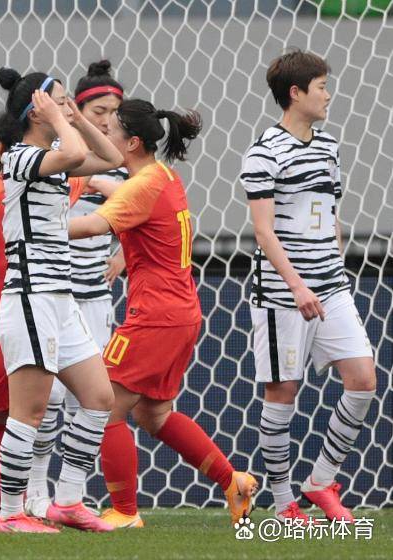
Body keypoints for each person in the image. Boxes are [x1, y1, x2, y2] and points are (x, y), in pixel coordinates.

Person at [69, 98, 257, 528]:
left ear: (132, 142)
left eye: (111, 130)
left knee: (105, 407)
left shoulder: (142, 187)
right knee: (152, 415)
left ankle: (124, 512)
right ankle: (233, 482)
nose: (105, 136)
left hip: (155, 316)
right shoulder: (162, 176)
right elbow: (133, 199)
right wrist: (97, 181)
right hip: (181, 312)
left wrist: (29, 228)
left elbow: (93, 225)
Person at [240, 49, 376, 523]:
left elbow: (331, 214)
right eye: (321, 87)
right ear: (295, 93)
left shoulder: (329, 147)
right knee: (282, 393)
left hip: (331, 286)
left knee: (363, 380)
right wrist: (297, 286)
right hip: (283, 294)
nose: (328, 95)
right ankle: (283, 505)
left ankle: (320, 481)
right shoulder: (263, 152)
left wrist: (333, 264)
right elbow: (263, 232)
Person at [0, 66, 123, 533]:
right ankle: (11, 512)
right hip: (31, 297)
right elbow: (76, 152)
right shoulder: (20, 157)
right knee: (29, 412)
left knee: (99, 398)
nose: (69, 107)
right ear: (37, 110)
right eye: (61, 100)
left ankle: (67, 501)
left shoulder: (54, 155)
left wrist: (75, 117)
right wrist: (59, 118)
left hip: (60, 300)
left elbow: (110, 156)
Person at [25, 58, 129, 519]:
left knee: (91, 399)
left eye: (113, 112)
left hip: (94, 299)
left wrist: (123, 255)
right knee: (45, 400)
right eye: (97, 111)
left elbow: (141, 210)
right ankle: (34, 489)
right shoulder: (55, 158)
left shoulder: (116, 167)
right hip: (51, 293)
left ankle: (71, 493)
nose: (106, 120)